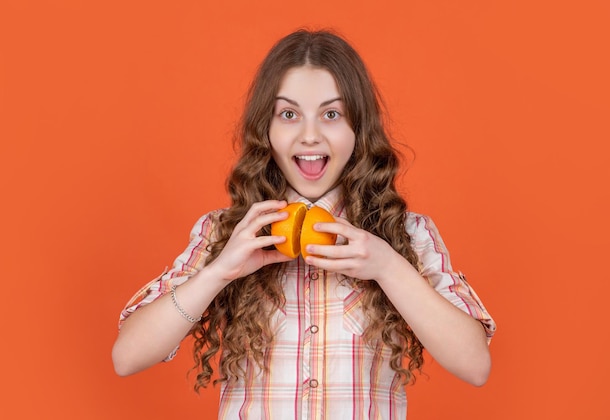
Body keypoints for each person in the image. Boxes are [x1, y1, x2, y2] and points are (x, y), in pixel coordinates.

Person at [112, 29, 496, 419]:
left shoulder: (407, 234)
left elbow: (475, 365)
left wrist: (387, 267)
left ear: (358, 129)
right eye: (289, 114)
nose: (309, 135)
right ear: (267, 128)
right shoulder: (225, 233)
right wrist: (219, 272)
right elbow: (127, 357)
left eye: (331, 114)